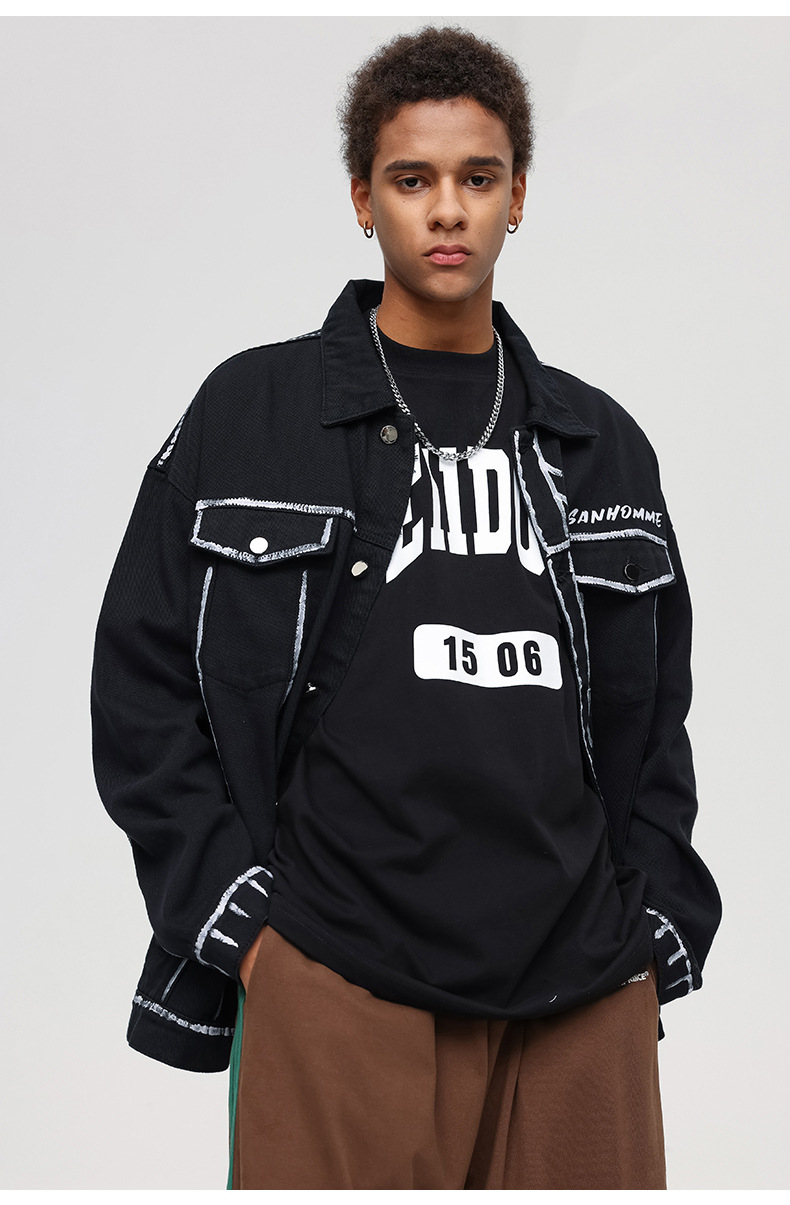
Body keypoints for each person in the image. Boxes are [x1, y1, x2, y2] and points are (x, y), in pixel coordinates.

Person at [90, 25, 722, 1191]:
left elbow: (657, 721)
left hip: (582, 987)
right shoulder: (251, 410)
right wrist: (249, 934)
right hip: (336, 974)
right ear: (361, 198)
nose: (446, 210)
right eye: (411, 178)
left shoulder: (602, 444)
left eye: (477, 178)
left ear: (517, 197)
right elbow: (140, 686)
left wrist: (654, 932)